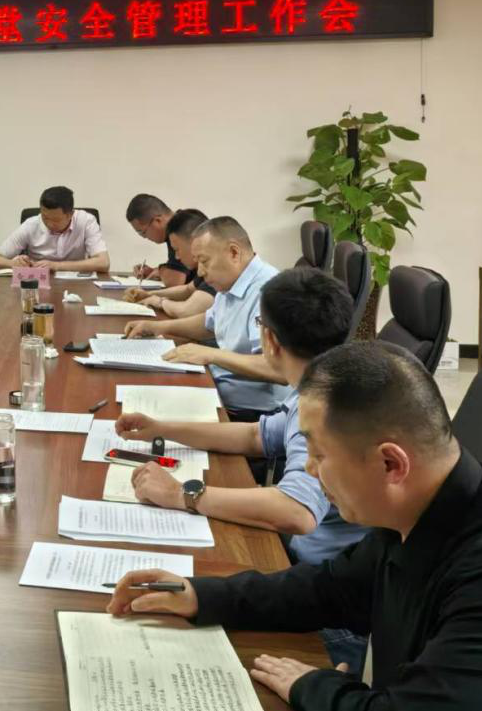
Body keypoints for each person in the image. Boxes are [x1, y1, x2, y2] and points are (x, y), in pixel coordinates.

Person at [107, 340, 482, 711]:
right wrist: (201, 595)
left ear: (391, 464)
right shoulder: (424, 501)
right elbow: (329, 589)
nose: (309, 469)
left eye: (319, 454)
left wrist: (318, 687)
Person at [116, 267, 370, 669]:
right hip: (306, 576)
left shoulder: (325, 408)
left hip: (324, 610)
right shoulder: (324, 381)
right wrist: (161, 428)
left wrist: (181, 493)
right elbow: (255, 436)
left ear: (269, 339)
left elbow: (298, 512)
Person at [124, 215, 288, 419]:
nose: (200, 272)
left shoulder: (269, 291)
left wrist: (211, 355)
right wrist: (158, 327)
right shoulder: (231, 282)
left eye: (204, 261)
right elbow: (208, 323)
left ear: (234, 253)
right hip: (218, 387)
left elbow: (279, 370)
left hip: (255, 415)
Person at [0, 186, 109, 273]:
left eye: (55, 220)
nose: (49, 224)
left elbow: (103, 263)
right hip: (37, 284)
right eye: (45, 217)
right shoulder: (31, 225)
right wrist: (13, 264)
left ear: (70, 214)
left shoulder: (86, 221)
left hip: (77, 285)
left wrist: (56, 266)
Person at [124, 208, 215, 318]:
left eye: (177, 249)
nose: (177, 256)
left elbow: (185, 310)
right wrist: (148, 294)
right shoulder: (206, 266)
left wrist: (159, 302)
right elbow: (187, 289)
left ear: (195, 242)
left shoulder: (216, 270)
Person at [124, 193, 189, 287]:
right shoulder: (182, 219)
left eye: (142, 232)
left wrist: (160, 271)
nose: (144, 237)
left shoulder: (179, 228)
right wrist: (154, 271)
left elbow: (175, 281)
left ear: (157, 221)